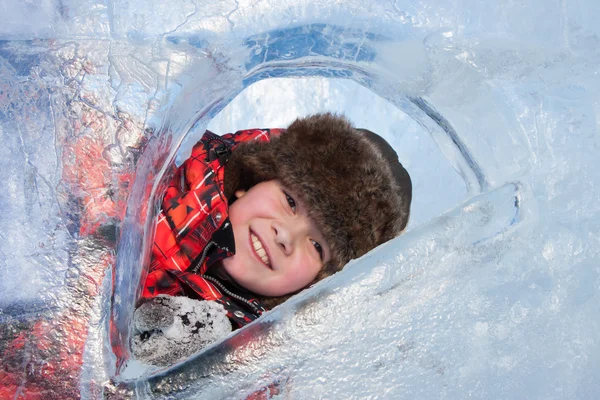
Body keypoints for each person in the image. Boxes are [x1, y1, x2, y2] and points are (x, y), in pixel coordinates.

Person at [132, 113, 412, 366]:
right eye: (290, 201)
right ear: (252, 180)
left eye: (317, 246)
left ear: (316, 282)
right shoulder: (158, 166)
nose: (286, 236)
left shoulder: (259, 357)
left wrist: (207, 368)